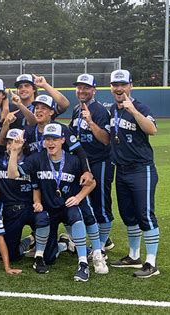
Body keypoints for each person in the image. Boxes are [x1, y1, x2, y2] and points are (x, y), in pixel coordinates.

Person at [8, 123, 104, 282]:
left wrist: (79, 197)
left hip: (66, 207)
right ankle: (64, 243)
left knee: (76, 215)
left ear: (62, 140)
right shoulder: (37, 159)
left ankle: (83, 264)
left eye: (55, 139)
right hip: (48, 210)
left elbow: (92, 183)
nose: (51, 143)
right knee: (50, 258)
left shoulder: (73, 160)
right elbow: (12, 174)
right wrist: (14, 151)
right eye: (47, 139)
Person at [0, 128, 51, 273]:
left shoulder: (31, 161)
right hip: (10, 210)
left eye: (15, 142)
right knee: (13, 256)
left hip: (29, 207)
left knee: (44, 222)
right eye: (9, 142)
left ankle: (39, 256)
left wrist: (37, 202)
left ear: (23, 144)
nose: (11, 146)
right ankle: (30, 240)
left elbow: (35, 187)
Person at [107, 69, 160, 278]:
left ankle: (151, 263)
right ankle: (134, 256)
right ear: (111, 87)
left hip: (141, 168)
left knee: (145, 215)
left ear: (130, 86)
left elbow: (152, 130)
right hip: (121, 170)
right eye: (115, 85)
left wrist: (133, 111)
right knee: (128, 215)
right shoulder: (112, 109)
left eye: (122, 84)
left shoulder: (139, 106)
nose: (119, 89)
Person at [69, 73, 115, 256]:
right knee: (85, 203)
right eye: (79, 87)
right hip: (83, 163)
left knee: (101, 203)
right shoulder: (75, 109)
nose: (82, 90)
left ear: (94, 90)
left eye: (86, 87)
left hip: (100, 162)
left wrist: (90, 121)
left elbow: (105, 140)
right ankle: (100, 240)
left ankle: (102, 246)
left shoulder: (100, 111)